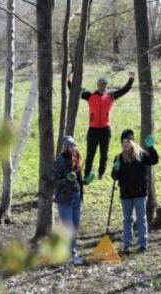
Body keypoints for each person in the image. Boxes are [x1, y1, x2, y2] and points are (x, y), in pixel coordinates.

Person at [69, 71, 135, 181]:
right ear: (98, 84)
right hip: (93, 129)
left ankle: (101, 174)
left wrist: (131, 79)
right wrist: (68, 80)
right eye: (101, 83)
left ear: (106, 85)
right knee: (90, 153)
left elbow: (124, 90)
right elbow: (74, 91)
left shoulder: (111, 95)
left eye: (104, 83)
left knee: (104, 154)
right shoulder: (89, 95)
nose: (102, 85)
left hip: (105, 129)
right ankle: (87, 174)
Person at [111, 129, 159, 254]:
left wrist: (151, 147)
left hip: (140, 193)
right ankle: (127, 245)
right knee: (127, 219)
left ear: (132, 142)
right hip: (126, 194)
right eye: (123, 142)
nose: (125, 144)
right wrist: (115, 169)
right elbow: (115, 177)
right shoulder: (119, 158)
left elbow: (154, 160)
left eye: (127, 142)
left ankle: (143, 244)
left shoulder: (141, 155)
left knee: (141, 219)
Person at [54, 135, 91, 265]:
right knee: (68, 227)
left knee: (75, 226)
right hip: (64, 198)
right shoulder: (59, 160)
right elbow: (55, 181)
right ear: (65, 148)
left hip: (76, 196)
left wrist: (85, 181)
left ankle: (72, 250)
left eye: (74, 145)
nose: (73, 148)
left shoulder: (77, 158)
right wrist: (65, 180)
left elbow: (78, 178)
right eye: (70, 146)